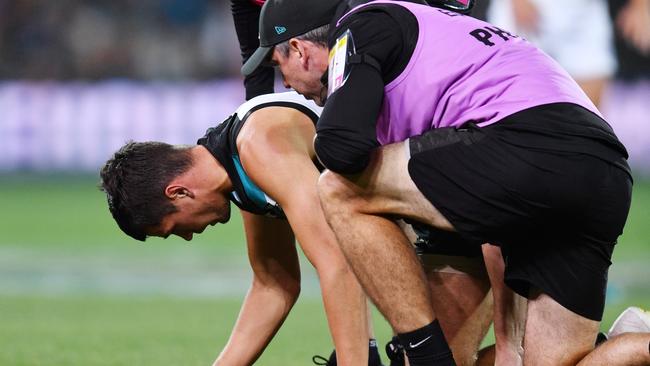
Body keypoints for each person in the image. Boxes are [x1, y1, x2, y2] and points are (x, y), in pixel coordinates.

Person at [241, 0, 649, 365]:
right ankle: (636, 343)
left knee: (339, 189)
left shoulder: (358, 25)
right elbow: (495, 214)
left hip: (529, 144)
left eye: (280, 70)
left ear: (299, 49)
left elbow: (342, 147)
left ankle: (427, 358)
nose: (287, 85)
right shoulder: (441, 47)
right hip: (601, 170)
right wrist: (507, 344)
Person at [100, 91, 384, 366]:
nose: (187, 236)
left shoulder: (259, 145)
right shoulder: (239, 175)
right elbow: (274, 284)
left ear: (179, 193)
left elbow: (339, 262)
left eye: (175, 229)